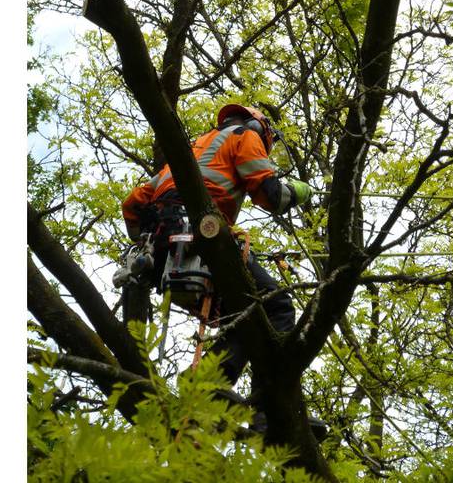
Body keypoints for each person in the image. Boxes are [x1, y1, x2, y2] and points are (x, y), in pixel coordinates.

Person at [120, 104, 312, 392]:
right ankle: (262, 407)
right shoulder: (244, 136)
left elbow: (131, 205)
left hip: (163, 251)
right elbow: (271, 195)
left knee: (242, 317)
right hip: (204, 242)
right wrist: (301, 190)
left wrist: (149, 241)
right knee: (276, 305)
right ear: (259, 127)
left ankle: (202, 387)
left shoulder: (190, 150)